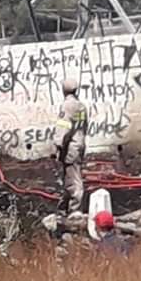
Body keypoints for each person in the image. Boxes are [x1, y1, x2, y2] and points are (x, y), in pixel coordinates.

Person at [52, 76, 87, 215]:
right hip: (78, 144)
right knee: (69, 177)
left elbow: (63, 126)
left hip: (70, 147)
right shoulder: (81, 105)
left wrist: (58, 145)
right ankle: (64, 208)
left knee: (73, 179)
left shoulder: (68, 106)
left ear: (63, 90)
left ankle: (75, 211)